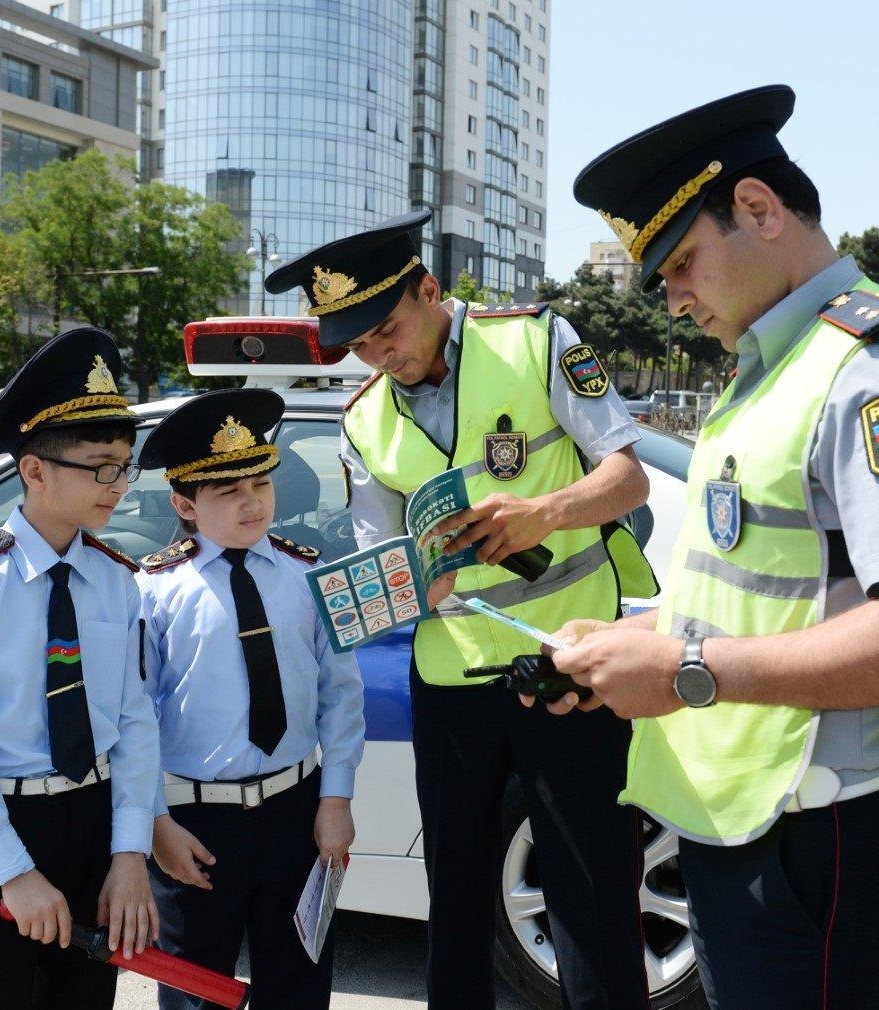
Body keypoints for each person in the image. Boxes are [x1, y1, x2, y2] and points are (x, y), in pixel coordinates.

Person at [550, 85, 879, 1010]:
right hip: (744, 820)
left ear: (758, 208)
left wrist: (686, 670)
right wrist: (634, 639)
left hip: (822, 839)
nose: (672, 299)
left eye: (681, 263)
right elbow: (749, 578)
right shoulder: (770, 368)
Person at [265, 211, 657, 1010]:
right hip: (449, 681)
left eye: (387, 329)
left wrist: (545, 512)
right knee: (455, 902)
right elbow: (382, 554)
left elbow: (629, 478)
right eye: (359, 344)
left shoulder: (536, 340)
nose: (380, 354)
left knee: (592, 895)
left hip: (566, 665)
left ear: (430, 289)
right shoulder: (361, 420)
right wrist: (414, 579)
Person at [0, 327, 161, 1009]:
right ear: (35, 470)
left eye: (125, 464)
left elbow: (134, 720)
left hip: (93, 822)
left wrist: (129, 853)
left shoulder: (115, 581)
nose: (119, 485)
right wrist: (14, 873)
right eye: (100, 465)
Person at [136, 388, 365, 1010]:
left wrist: (335, 799)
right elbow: (135, 721)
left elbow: (340, 694)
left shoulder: (306, 575)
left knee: (298, 983)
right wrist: (156, 825)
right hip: (195, 825)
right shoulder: (154, 592)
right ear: (185, 503)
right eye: (228, 492)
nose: (252, 503)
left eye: (260, 485)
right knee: (196, 989)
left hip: (295, 811)